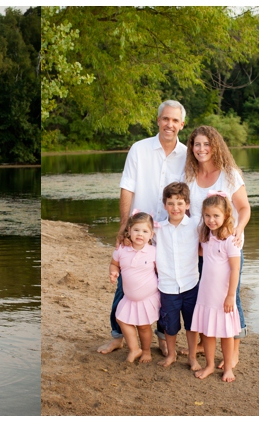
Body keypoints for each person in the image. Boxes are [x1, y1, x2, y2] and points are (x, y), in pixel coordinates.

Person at [99, 100, 187, 355]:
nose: (169, 124)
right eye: (165, 119)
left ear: (182, 124)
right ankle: (117, 335)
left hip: (169, 231)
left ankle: (162, 336)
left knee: (164, 283)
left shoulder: (186, 155)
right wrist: (124, 226)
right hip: (139, 230)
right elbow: (127, 187)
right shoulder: (139, 149)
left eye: (175, 120)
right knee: (126, 279)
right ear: (158, 120)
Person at [184, 125, 251, 369]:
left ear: (216, 146)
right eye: (197, 144)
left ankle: (234, 352)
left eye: (206, 144)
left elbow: (244, 208)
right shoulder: (189, 175)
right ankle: (206, 342)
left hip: (227, 247)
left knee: (231, 297)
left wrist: (238, 230)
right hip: (201, 247)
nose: (201, 149)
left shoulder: (229, 173)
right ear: (192, 148)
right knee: (205, 294)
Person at [190, 193, 241, 382]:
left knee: (226, 334)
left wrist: (230, 296)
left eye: (216, 216)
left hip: (223, 295)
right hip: (206, 293)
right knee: (208, 332)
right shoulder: (205, 235)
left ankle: (228, 368)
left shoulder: (231, 240)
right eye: (207, 216)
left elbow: (235, 269)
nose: (211, 220)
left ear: (226, 215)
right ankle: (210, 365)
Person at [153, 183, 201, 370]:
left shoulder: (195, 224)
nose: (175, 208)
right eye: (171, 203)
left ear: (187, 204)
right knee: (170, 325)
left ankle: (192, 357)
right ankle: (171, 355)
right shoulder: (158, 228)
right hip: (167, 285)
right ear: (165, 205)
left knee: (191, 323)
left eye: (180, 203)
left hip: (190, 283)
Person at [108, 212, 160, 363]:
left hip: (147, 297)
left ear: (151, 234)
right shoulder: (121, 250)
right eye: (136, 230)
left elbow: (159, 271)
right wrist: (113, 272)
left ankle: (146, 350)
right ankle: (134, 349)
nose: (140, 234)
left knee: (144, 326)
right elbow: (114, 264)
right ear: (129, 230)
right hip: (129, 297)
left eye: (145, 231)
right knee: (122, 319)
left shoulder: (153, 252)